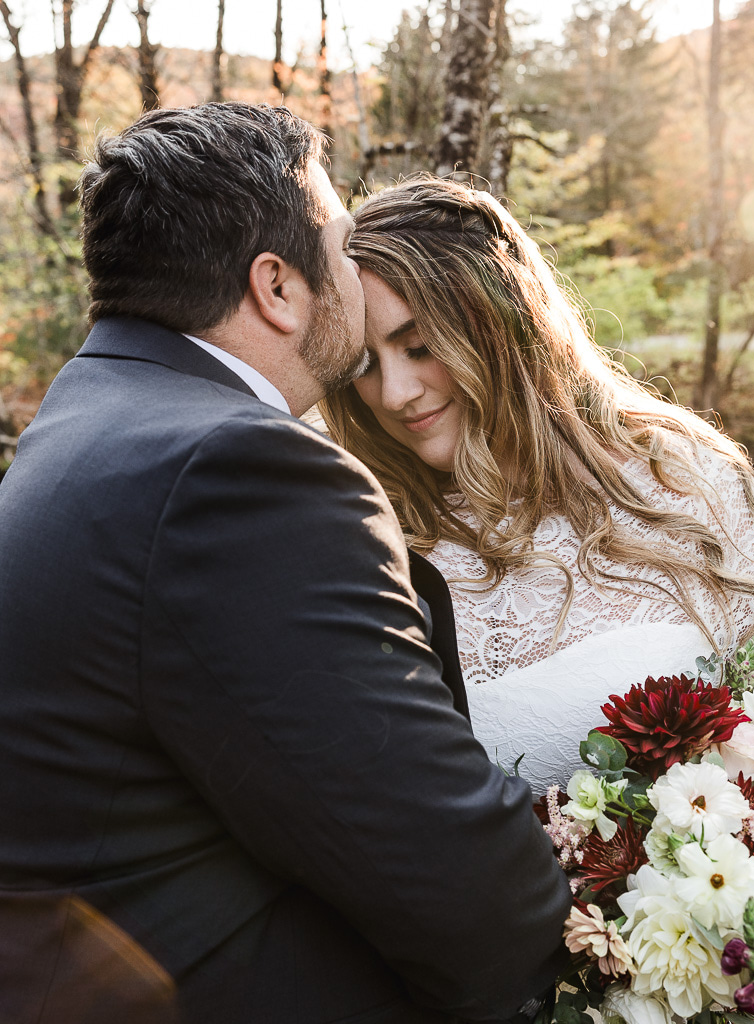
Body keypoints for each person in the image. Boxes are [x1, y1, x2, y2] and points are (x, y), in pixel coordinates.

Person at [0, 106, 574, 1024]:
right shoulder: (238, 472)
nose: (356, 269)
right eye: (344, 246)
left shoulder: (85, 423)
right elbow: (443, 872)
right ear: (278, 285)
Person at [320, 175, 754, 796]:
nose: (395, 395)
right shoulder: (366, 539)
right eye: (365, 365)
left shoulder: (680, 480)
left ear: (501, 327)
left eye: (421, 347)